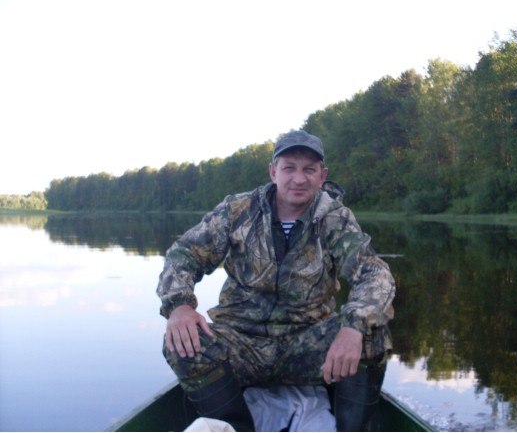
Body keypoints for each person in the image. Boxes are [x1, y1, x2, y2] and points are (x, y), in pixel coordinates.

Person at [157, 130, 395, 431]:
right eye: (289, 168)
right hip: (241, 342)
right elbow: (184, 254)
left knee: (372, 333)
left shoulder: (335, 218)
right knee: (182, 342)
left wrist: (353, 326)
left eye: (309, 169)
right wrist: (179, 306)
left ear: (322, 175)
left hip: (306, 345)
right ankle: (237, 429)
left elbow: (374, 272)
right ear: (273, 172)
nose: (299, 179)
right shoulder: (238, 211)